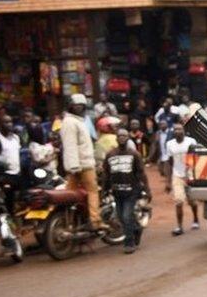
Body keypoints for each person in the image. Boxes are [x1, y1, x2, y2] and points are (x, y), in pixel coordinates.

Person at [60, 93, 104, 230]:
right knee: (93, 191)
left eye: (81, 106)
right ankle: (95, 221)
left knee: (71, 195)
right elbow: (70, 146)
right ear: (70, 107)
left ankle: (72, 221)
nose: (79, 108)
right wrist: (74, 166)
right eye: (76, 105)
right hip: (82, 165)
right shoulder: (71, 122)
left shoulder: (78, 121)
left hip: (81, 164)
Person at [103, 128, 149, 254]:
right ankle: (137, 228)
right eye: (119, 136)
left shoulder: (134, 154)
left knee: (126, 216)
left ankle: (129, 243)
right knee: (121, 217)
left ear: (128, 138)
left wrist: (147, 189)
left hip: (131, 191)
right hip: (117, 192)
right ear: (116, 138)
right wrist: (105, 189)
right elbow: (106, 174)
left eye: (124, 136)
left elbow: (141, 174)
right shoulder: (110, 155)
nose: (122, 138)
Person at [165, 123, 199, 236]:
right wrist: (167, 180)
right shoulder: (170, 144)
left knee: (192, 201)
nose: (177, 131)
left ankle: (195, 219)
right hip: (177, 175)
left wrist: (195, 175)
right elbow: (169, 162)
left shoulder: (191, 141)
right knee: (179, 201)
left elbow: (196, 158)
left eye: (179, 129)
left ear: (184, 130)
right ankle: (179, 226)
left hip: (190, 175)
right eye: (175, 129)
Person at [0, 115, 23, 215]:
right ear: (0, 125)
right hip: (6, 175)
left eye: (10, 122)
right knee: (8, 200)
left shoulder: (16, 138)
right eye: (6, 122)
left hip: (17, 173)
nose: (9, 124)